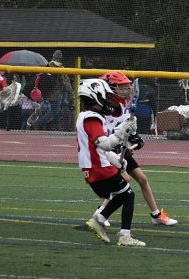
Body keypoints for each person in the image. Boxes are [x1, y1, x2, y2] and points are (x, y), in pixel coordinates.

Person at [94, 70, 178, 227]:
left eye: (126, 87)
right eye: (121, 87)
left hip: (120, 150)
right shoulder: (103, 109)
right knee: (123, 181)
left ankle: (156, 215)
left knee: (142, 179)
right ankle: (100, 212)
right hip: (107, 151)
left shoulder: (123, 106)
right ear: (110, 87)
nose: (126, 90)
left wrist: (135, 138)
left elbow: (126, 127)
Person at [76, 78, 144, 247]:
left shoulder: (85, 116)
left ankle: (99, 219)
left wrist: (116, 160)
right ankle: (124, 235)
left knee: (122, 195)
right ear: (96, 95)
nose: (108, 100)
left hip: (94, 166)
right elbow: (104, 144)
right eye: (105, 96)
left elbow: (99, 148)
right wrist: (122, 131)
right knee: (128, 195)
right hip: (98, 168)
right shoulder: (92, 118)